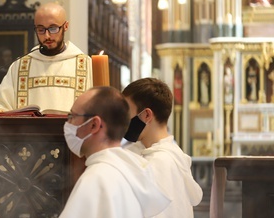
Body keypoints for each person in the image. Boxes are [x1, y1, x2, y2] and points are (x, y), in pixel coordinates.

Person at [59, 86, 170, 217]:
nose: (68, 123)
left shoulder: (96, 180)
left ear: (94, 124)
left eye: (73, 116)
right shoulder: (130, 172)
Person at [0, 2, 92, 113]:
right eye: (41, 29)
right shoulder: (20, 66)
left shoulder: (85, 65)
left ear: (65, 26)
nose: (47, 36)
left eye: (53, 28)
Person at [122, 78, 203, 217]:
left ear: (146, 115)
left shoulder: (158, 163)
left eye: (126, 112)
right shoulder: (173, 154)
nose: (122, 119)